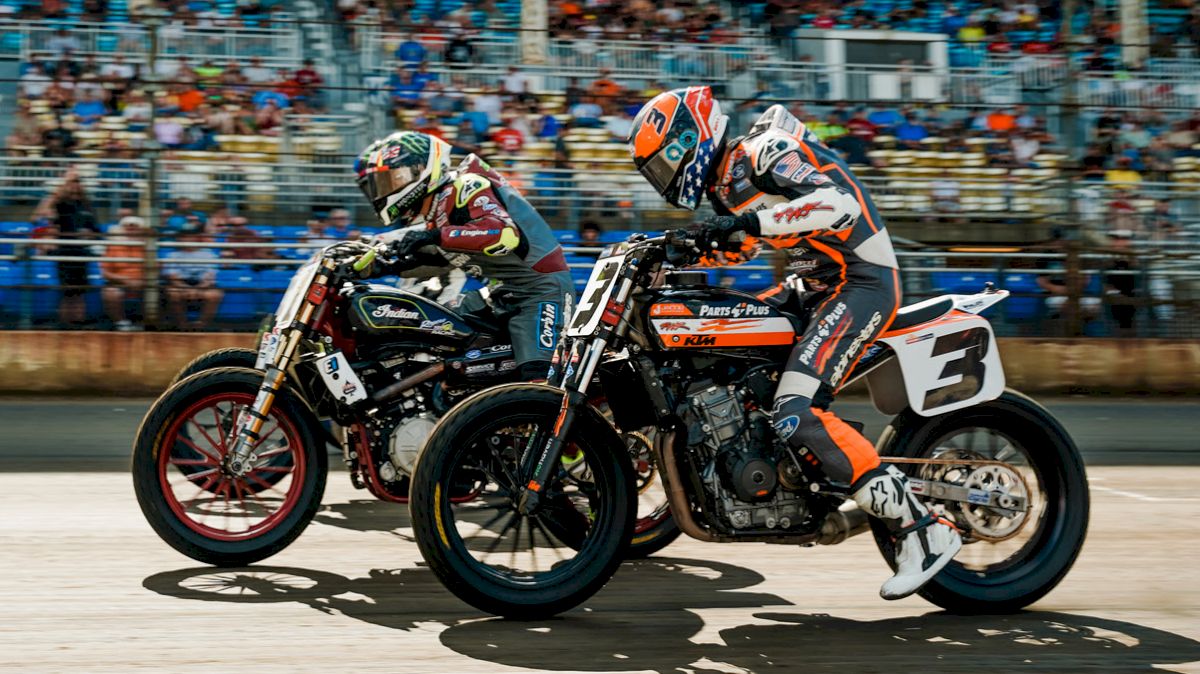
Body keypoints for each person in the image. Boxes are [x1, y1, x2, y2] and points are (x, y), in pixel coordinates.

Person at [627, 87, 960, 600]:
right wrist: (670, 252)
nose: (665, 178)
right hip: (813, 288)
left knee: (793, 408)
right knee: (735, 358)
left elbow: (833, 204)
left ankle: (923, 529)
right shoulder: (726, 185)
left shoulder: (765, 151)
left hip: (861, 282)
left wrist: (744, 223)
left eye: (665, 162)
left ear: (691, 138)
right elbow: (738, 247)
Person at [353, 131, 574, 380]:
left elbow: (503, 234)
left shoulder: (467, 185)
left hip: (540, 293)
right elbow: (443, 259)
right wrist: (386, 267)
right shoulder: (437, 212)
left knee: (539, 380)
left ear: (419, 169)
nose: (382, 191)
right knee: (428, 332)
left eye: (390, 180)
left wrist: (435, 236)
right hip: (497, 295)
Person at [36, 167, 99, 325]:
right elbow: (40, 215)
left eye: (78, 181)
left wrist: (90, 235)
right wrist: (62, 185)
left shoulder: (86, 206)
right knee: (67, 293)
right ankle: (65, 326)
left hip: (82, 253)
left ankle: (79, 325)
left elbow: (96, 231)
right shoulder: (60, 204)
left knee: (80, 292)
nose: (75, 185)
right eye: (73, 181)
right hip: (64, 252)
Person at [163, 221, 224, 330]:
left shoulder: (209, 254)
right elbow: (172, 277)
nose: (188, 239)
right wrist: (186, 288)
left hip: (202, 284)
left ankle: (201, 325)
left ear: (197, 237)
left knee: (214, 295)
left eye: (191, 236)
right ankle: (182, 325)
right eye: (184, 236)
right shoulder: (172, 255)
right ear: (179, 238)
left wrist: (198, 288)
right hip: (180, 284)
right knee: (173, 294)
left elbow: (210, 276)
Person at [100, 215, 147, 331]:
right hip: (119, 282)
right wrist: (124, 280)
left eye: (134, 228)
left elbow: (155, 269)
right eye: (127, 228)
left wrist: (141, 280)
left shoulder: (148, 248)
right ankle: (121, 322)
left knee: (157, 291)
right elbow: (105, 272)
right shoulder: (113, 248)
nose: (130, 230)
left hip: (143, 282)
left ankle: (146, 322)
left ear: (140, 230)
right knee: (111, 292)